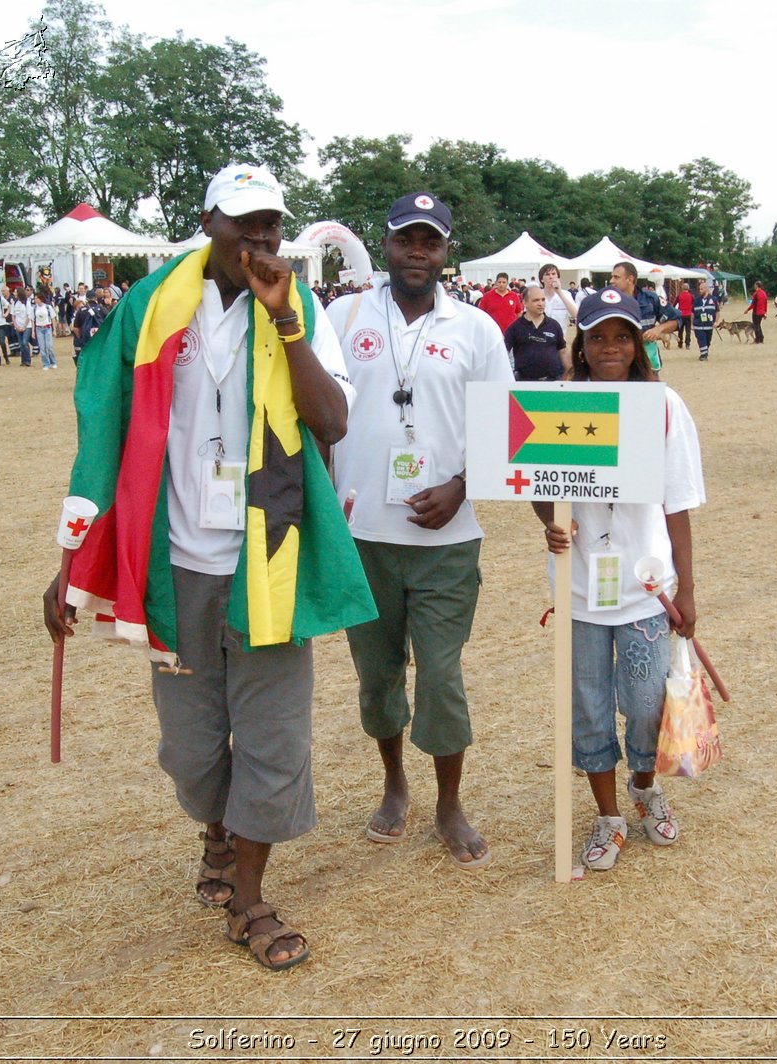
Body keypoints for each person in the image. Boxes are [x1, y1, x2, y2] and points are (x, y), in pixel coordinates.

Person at [43, 163, 373, 971]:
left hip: (270, 559)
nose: (259, 240)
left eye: (271, 226)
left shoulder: (303, 312)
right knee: (191, 751)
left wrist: (288, 322)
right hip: (177, 565)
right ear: (208, 223)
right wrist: (70, 563)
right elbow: (105, 430)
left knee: (274, 738)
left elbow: (330, 420)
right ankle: (216, 832)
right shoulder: (153, 307)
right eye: (243, 224)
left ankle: (252, 898)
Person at [327, 192, 510, 870]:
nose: (417, 252)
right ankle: (394, 782)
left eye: (430, 241)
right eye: (407, 238)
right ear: (388, 241)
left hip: (447, 541)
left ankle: (449, 802)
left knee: (440, 676)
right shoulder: (342, 315)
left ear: (445, 251)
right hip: (362, 540)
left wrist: (462, 485)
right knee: (377, 679)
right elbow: (316, 412)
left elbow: (500, 428)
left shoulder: (477, 330)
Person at [533, 288, 704, 872]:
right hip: (580, 593)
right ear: (581, 344)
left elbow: (677, 501)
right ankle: (607, 816)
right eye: (598, 336)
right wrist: (551, 525)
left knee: (646, 701)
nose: (610, 347)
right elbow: (538, 485)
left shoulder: (662, 405)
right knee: (588, 709)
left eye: (622, 335)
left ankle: (644, 786)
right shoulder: (559, 403)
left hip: (645, 590)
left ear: (638, 344)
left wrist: (687, 587)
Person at [504, 285, 569, 381]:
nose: (541, 303)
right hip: (525, 384)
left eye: (543, 300)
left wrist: (569, 375)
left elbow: (563, 351)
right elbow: (504, 353)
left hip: (553, 382)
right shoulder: (515, 328)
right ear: (525, 302)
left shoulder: (554, 325)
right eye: (536, 300)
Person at [537, 263, 577, 333]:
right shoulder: (536, 294)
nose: (551, 277)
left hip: (559, 340)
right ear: (542, 279)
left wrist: (559, 293)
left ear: (558, 277)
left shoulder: (566, 294)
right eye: (547, 274)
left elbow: (575, 314)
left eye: (553, 274)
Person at [689, 277, 718, 361]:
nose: (700, 290)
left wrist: (716, 322)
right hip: (698, 325)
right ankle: (704, 355)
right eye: (699, 289)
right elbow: (692, 313)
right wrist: (692, 324)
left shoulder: (713, 299)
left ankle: (705, 352)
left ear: (706, 289)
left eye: (702, 289)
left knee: (707, 341)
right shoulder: (696, 300)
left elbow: (717, 311)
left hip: (709, 325)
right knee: (701, 340)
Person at [33, 291, 58, 370]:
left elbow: (53, 318)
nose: (35, 300)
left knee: (49, 346)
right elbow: (32, 320)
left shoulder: (48, 307)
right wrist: (33, 331)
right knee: (42, 347)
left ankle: (53, 362)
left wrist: (54, 329)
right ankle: (45, 363)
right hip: (39, 328)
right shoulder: (34, 308)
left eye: (37, 298)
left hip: (47, 328)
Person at [10, 289, 32, 366]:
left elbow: (29, 316)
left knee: (25, 342)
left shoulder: (27, 303)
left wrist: (24, 326)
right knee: (21, 344)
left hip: (27, 326)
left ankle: (28, 360)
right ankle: (23, 360)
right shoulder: (14, 303)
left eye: (15, 292)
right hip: (18, 326)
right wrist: (16, 326)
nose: (14, 293)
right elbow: (13, 315)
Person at [675, 280, 694, 349]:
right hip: (688, 315)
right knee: (688, 330)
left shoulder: (679, 296)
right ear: (688, 289)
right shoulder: (691, 296)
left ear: (682, 288)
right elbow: (694, 304)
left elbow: (674, 304)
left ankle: (680, 343)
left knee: (680, 330)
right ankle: (687, 344)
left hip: (681, 315)